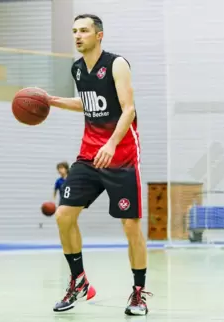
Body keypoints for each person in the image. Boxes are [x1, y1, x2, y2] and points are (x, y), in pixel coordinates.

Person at [45, 14, 151, 316]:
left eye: (84, 31)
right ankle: (79, 281)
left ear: (99, 35)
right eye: (74, 31)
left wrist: (112, 143)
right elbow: (86, 102)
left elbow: (128, 109)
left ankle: (139, 293)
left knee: (130, 226)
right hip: (89, 156)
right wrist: (52, 100)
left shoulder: (117, 64)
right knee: (64, 216)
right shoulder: (78, 68)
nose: (78, 36)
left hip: (122, 157)